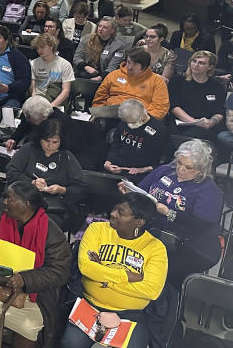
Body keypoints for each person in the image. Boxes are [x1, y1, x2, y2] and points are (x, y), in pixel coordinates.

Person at [0, 182, 71, 348]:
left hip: (35, 293)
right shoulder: (2, 218)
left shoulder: (52, 234)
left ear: (26, 205)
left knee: (27, 327)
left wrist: (24, 279)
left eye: (10, 198)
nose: (5, 202)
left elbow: (59, 272)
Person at [60, 194, 166, 348]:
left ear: (139, 222)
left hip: (130, 312)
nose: (113, 213)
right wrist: (126, 276)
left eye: (121, 212)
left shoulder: (155, 248)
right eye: (115, 208)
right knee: (70, 344)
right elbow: (86, 267)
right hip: (89, 304)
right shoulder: (97, 229)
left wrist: (103, 277)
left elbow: (151, 290)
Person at [129, 139, 223, 285]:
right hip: (154, 231)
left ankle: (161, 303)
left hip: (191, 244)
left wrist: (168, 212)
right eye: (179, 163)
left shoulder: (209, 191)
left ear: (201, 170)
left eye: (188, 167)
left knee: (154, 272)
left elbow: (200, 225)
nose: (180, 169)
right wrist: (129, 193)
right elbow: (140, 191)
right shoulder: (164, 171)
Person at [6, 119, 87, 231]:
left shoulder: (67, 158)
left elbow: (81, 189)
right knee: (9, 218)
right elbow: (11, 172)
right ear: (39, 138)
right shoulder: (29, 149)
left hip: (52, 207)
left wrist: (62, 190)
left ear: (61, 141)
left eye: (55, 142)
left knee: (42, 226)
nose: (50, 146)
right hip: (23, 198)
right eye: (46, 141)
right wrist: (31, 182)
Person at [93, 48, 170, 120]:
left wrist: (144, 119)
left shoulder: (156, 81)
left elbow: (160, 108)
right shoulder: (114, 75)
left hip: (139, 120)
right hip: (111, 116)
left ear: (144, 67)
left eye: (135, 64)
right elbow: (100, 97)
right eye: (128, 62)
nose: (129, 67)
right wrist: (98, 114)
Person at [102, 100, 171, 179]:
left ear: (143, 115)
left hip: (142, 172)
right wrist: (108, 162)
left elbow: (169, 158)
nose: (129, 125)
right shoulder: (124, 122)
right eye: (127, 122)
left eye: (133, 122)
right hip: (119, 167)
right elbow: (116, 145)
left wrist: (145, 169)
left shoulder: (158, 129)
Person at [168, 50, 225, 141]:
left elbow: (220, 111)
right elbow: (174, 106)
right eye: (194, 61)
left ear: (210, 67)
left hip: (206, 126)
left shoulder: (217, 86)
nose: (196, 65)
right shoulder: (177, 81)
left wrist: (211, 122)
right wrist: (194, 122)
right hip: (181, 123)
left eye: (201, 63)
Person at [30, 33, 74, 108]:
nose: (39, 51)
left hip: (56, 100)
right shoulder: (33, 63)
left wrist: (51, 106)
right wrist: (34, 102)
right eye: (37, 48)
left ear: (51, 46)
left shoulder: (65, 65)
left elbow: (66, 91)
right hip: (37, 99)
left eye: (42, 47)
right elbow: (32, 88)